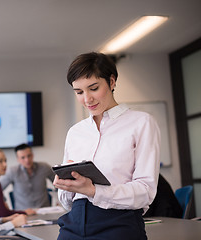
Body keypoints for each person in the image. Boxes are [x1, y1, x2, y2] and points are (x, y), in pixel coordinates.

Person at [53, 52, 161, 240]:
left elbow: (145, 191)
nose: (87, 99)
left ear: (111, 82)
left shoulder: (141, 122)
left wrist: (94, 191)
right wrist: (66, 186)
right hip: (73, 224)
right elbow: (67, 201)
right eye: (79, 92)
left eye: (93, 88)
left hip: (119, 224)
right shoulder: (75, 132)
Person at [0, 143, 55, 210]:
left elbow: (59, 183)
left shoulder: (44, 167)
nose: (27, 160)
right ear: (18, 159)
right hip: (23, 214)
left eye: (29, 156)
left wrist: (59, 199)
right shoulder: (12, 172)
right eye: (23, 157)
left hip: (44, 211)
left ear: (32, 155)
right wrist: (3, 203)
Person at [0, 148, 36, 217]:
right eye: (0, 161)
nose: (5, 165)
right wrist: (24, 212)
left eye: (5, 161)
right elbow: (3, 214)